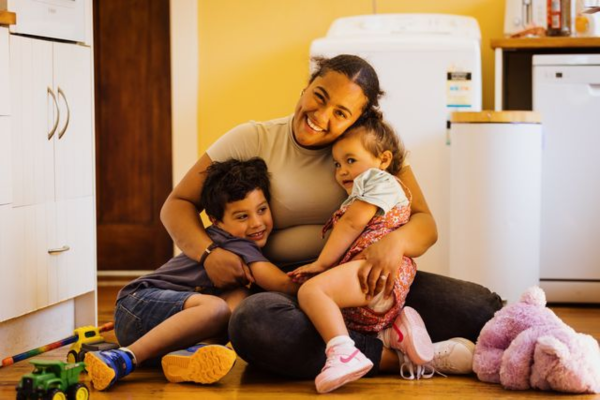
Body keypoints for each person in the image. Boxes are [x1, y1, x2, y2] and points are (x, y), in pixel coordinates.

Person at [161, 54, 502, 382]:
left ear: (357, 119)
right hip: (281, 285)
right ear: (305, 88)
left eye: (340, 113)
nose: (321, 117)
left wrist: (395, 243)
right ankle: (395, 356)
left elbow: (424, 222)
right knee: (252, 324)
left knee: (479, 308)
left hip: (361, 277)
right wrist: (209, 253)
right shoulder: (253, 137)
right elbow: (177, 203)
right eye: (319, 97)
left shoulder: (365, 151)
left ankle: (369, 339)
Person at [85, 158, 299, 391]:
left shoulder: (239, 240)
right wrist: (325, 277)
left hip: (163, 329)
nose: (257, 223)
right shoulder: (236, 243)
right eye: (242, 217)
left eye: (262, 210)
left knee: (239, 296)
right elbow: (282, 284)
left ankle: (189, 354)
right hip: (138, 304)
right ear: (216, 221)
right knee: (216, 307)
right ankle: (124, 357)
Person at [287, 117, 435, 393]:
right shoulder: (372, 186)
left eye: (351, 160)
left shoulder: (377, 179)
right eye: (337, 164)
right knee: (328, 307)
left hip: (376, 271)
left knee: (311, 293)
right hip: (381, 281)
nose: (342, 170)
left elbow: (352, 223)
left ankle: (344, 353)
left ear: (383, 159)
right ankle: (393, 334)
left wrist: (323, 264)